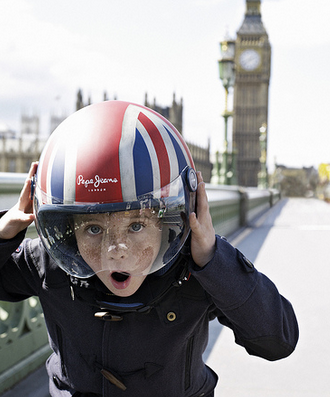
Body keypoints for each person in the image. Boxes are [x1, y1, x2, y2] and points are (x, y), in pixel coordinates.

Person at [0, 101, 298, 397]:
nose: (116, 250)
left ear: (171, 220)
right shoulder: (50, 260)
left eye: (136, 226)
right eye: (93, 228)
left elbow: (277, 340)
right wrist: (4, 235)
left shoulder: (194, 268)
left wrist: (212, 258)